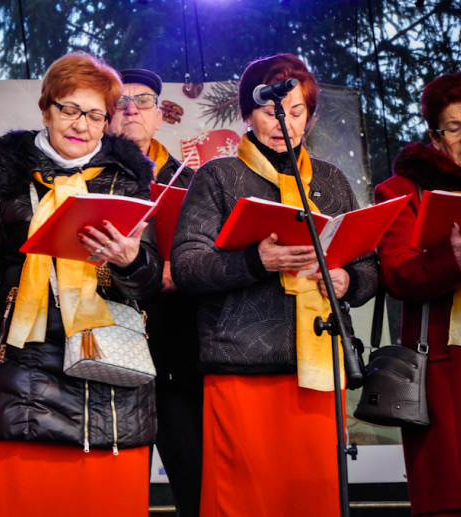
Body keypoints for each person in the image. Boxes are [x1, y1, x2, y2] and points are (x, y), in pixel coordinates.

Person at [171, 54, 379, 516]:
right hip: (241, 368)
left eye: (296, 111)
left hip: (319, 370)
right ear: (247, 112)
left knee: (313, 500)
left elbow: (368, 265)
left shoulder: (328, 179)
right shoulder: (219, 177)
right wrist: (254, 260)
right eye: (270, 110)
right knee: (243, 501)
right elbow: (186, 267)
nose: (282, 122)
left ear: (310, 116)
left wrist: (348, 280)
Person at [0, 51, 162, 517]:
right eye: (70, 109)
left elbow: (148, 282)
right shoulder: (6, 177)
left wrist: (130, 260)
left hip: (111, 373)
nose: (82, 125)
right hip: (24, 371)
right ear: (46, 107)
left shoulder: (129, 179)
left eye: (95, 115)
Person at [376, 70, 461, 517]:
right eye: (454, 127)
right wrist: (454, 256)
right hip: (451, 372)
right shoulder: (404, 191)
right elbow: (398, 274)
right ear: (435, 136)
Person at [107, 68, 202, 517]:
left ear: (160, 115)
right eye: (121, 100)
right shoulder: (92, 175)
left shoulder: (194, 179)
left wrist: (182, 269)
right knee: (118, 496)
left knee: (197, 485)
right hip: (111, 352)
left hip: (180, 353)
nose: (131, 109)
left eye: (143, 101)